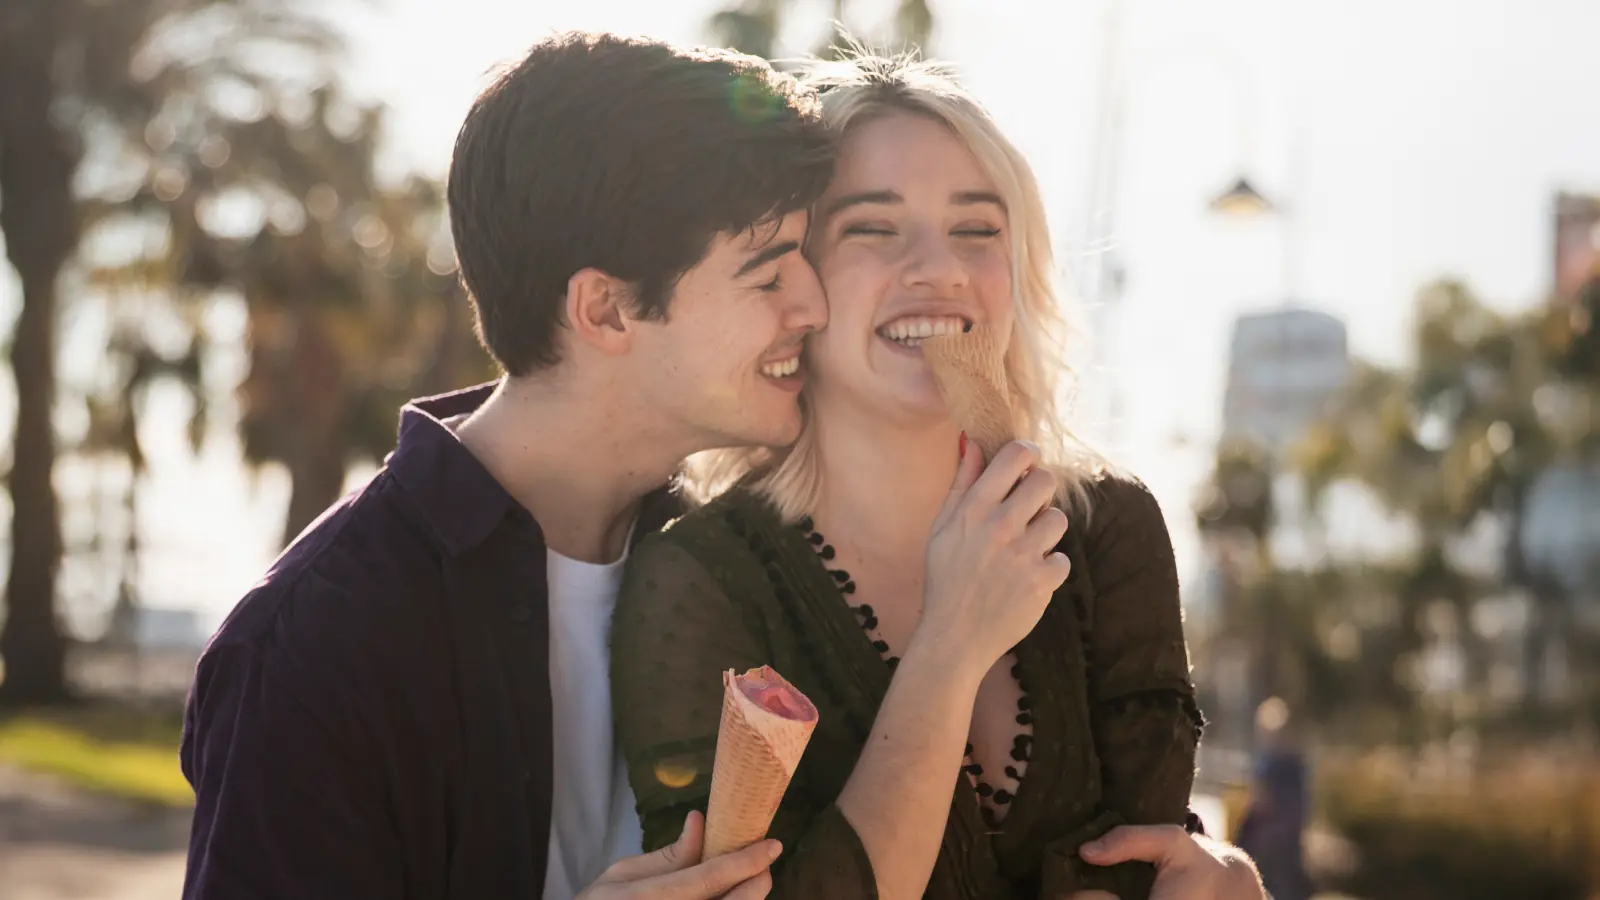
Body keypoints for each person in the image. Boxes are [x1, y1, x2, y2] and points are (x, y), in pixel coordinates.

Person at [178, 32, 836, 899]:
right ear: (605, 309)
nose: (815, 305)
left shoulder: (742, 569)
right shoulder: (317, 643)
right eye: (766, 275)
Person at [611, 52, 1244, 900]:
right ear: (796, 280)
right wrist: (950, 647)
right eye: (873, 228)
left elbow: (1147, 863)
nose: (939, 268)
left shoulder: (1109, 529)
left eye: (977, 229)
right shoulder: (699, 582)